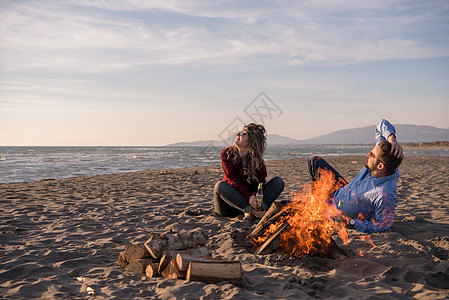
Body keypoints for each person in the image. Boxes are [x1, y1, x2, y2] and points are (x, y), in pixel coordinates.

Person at [308, 119, 404, 233]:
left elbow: (382, 226)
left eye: (372, 155)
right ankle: (316, 200)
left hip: (337, 210)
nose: (368, 155)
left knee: (290, 209)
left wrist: (351, 222)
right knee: (315, 161)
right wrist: (391, 138)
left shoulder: (384, 194)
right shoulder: (383, 165)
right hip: (341, 191)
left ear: (380, 166)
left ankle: (316, 206)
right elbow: (380, 125)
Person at [213, 123, 285, 222]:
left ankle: (256, 211)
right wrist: (248, 199)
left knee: (278, 182)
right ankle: (254, 213)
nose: (238, 134)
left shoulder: (258, 161)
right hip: (231, 205)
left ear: (252, 140)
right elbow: (232, 179)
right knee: (220, 186)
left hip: (251, 202)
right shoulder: (226, 153)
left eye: (243, 133)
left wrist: (255, 199)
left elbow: (260, 184)